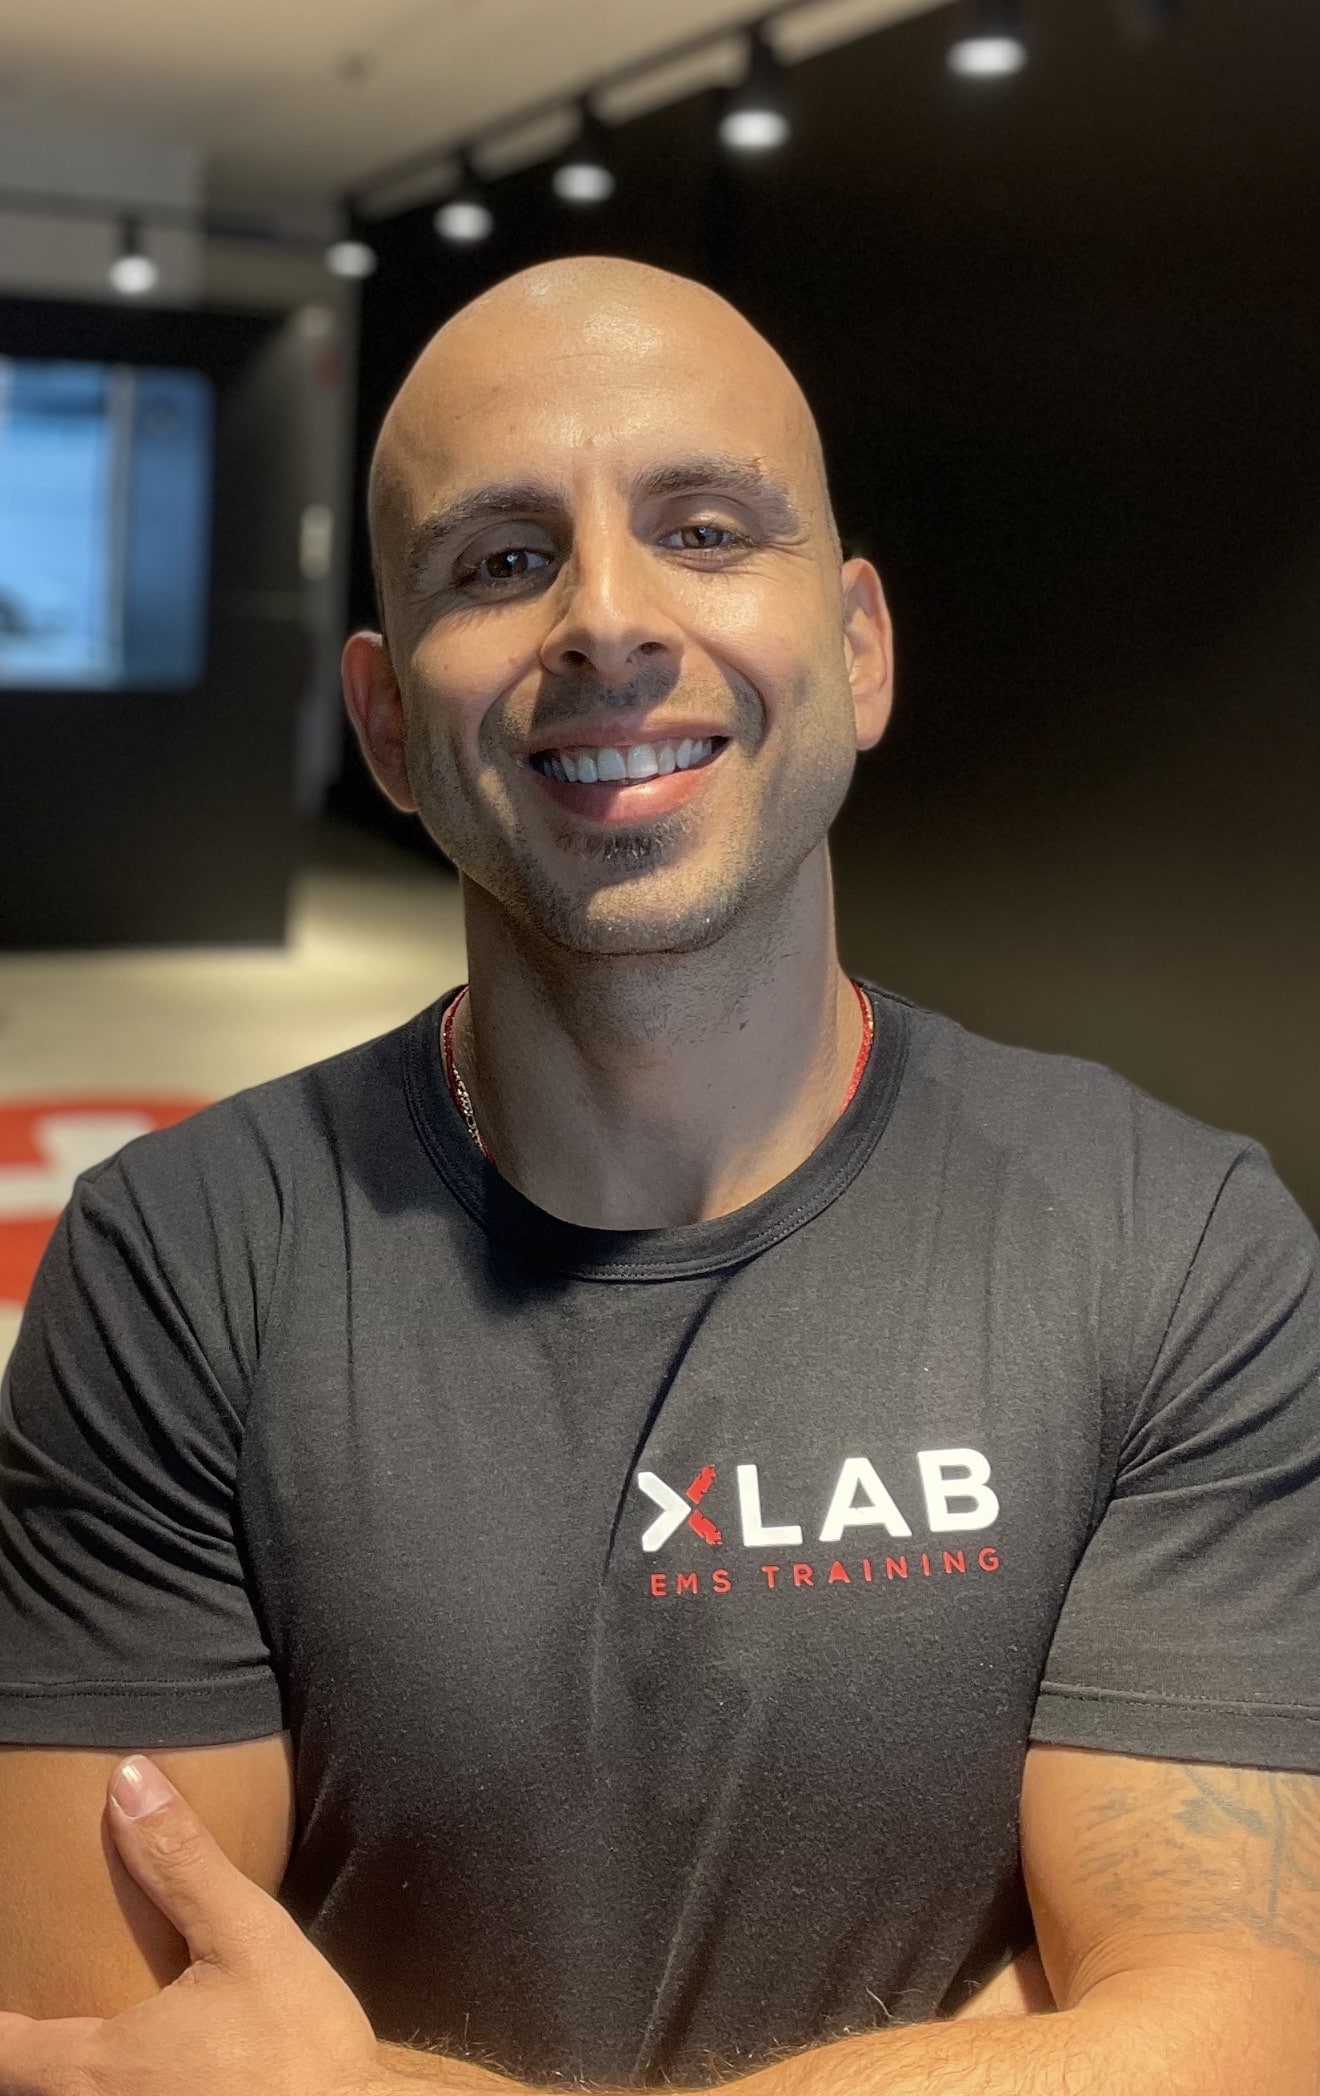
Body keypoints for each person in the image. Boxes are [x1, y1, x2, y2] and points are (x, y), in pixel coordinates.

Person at [1, 255, 1319, 2096]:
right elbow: (123, 2060)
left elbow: (1237, 2047)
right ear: (383, 721)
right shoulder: (185, 1263)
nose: (608, 621)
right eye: (501, 560)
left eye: (704, 530)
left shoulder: (1177, 1249)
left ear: (859, 648)